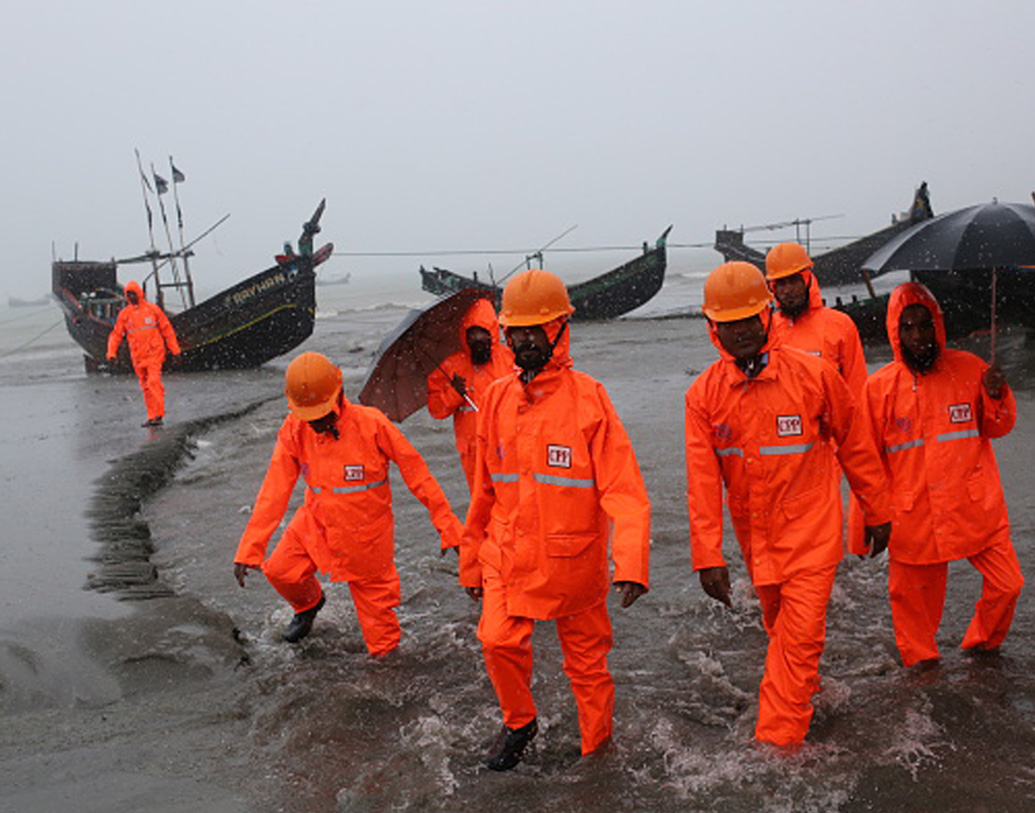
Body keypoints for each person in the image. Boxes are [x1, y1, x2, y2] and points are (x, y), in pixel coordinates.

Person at [684, 261, 891, 748]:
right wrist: (708, 555)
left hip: (813, 540)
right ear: (712, 327)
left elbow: (855, 445)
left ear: (767, 314)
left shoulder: (815, 377)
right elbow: (702, 483)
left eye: (747, 319)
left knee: (798, 641)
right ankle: (804, 694)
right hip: (758, 543)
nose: (739, 332)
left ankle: (777, 748)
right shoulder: (703, 397)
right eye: (726, 323)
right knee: (781, 631)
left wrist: (877, 512)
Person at [460, 269, 651, 771]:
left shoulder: (589, 398)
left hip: (575, 561)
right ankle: (520, 721)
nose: (523, 340)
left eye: (534, 329)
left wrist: (629, 561)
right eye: (514, 331)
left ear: (561, 328)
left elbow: (624, 489)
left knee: (587, 667)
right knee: (496, 640)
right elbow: (484, 489)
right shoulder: (497, 397)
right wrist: (470, 559)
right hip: (508, 553)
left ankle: (598, 755)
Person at [234, 352, 464, 653]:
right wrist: (250, 548)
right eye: (309, 417)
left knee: (381, 641)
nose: (315, 424)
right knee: (280, 570)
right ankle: (309, 605)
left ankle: (387, 678)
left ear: (339, 394)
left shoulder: (372, 424)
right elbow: (274, 490)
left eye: (322, 415)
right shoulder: (294, 428)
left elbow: (418, 474)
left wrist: (448, 526)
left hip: (366, 539)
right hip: (315, 524)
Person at [851, 282, 1024, 667]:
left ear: (937, 326)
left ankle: (981, 647)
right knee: (914, 618)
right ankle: (924, 677)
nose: (917, 336)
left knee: (1008, 585)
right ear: (895, 332)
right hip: (914, 517)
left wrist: (996, 395)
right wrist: (865, 521)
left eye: (924, 325)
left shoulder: (971, 369)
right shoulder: (879, 389)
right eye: (907, 327)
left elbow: (999, 427)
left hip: (975, 508)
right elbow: (865, 461)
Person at [426, 297, 514, 489]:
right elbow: (436, 410)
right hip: (473, 453)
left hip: (509, 446)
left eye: (482, 333)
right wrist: (453, 393)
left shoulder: (510, 360)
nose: (477, 340)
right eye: (471, 334)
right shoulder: (451, 366)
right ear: (463, 335)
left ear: (492, 331)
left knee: (512, 498)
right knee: (480, 504)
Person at [765, 241, 868, 396]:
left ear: (807, 281)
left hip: (831, 417)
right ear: (773, 288)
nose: (788, 290)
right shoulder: (767, 329)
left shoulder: (840, 324)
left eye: (793, 281)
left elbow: (856, 384)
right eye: (781, 284)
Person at [106, 280, 182, 427]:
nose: (131, 297)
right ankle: (151, 415)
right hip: (138, 356)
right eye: (128, 294)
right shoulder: (125, 314)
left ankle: (158, 415)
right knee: (145, 386)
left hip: (154, 353)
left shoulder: (152, 310)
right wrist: (111, 353)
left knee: (153, 383)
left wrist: (175, 350)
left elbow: (167, 330)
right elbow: (116, 335)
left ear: (139, 293)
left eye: (133, 293)